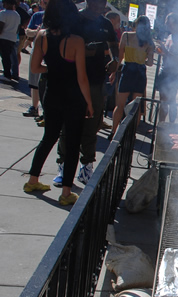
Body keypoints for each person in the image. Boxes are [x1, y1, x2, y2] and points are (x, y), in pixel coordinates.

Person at [23, 0, 93, 206]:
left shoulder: (41, 36)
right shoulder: (77, 41)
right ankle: (66, 193)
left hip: (51, 94)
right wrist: (89, 102)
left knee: (49, 137)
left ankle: (32, 180)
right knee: (72, 144)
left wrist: (53, 69)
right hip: (73, 98)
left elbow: (35, 68)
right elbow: (82, 78)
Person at [52, 0, 118, 187]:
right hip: (72, 81)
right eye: (98, 2)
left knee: (92, 125)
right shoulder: (75, 19)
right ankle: (63, 166)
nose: (101, 5)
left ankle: (86, 166)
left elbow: (113, 44)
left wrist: (115, 60)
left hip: (96, 81)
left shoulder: (105, 23)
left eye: (103, 2)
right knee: (68, 125)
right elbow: (61, 43)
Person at [109, 15, 154, 139]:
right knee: (136, 107)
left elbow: (120, 56)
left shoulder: (126, 36)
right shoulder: (149, 42)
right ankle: (132, 134)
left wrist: (114, 72)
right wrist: (141, 60)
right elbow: (150, 63)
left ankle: (113, 131)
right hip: (140, 73)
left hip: (127, 70)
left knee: (120, 105)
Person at [155, 12, 178, 123]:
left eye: (168, 21)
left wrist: (165, 51)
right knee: (162, 101)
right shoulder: (170, 36)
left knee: (171, 101)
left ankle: (171, 127)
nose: (166, 23)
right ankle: (161, 125)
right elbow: (167, 54)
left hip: (173, 74)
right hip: (165, 72)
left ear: (174, 23)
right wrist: (161, 51)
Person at [22, 0, 45, 118]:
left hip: (49, 54)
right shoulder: (37, 16)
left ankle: (46, 110)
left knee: (46, 83)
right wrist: (36, 31)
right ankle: (34, 107)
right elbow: (28, 32)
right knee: (34, 82)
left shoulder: (59, 17)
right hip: (37, 51)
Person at [0, 0, 20, 81]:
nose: (3, 4)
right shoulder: (17, 15)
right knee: (8, 56)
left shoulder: (3, 13)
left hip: (3, 37)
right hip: (12, 38)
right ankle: (9, 73)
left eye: (4, 3)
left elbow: (1, 26)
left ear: (8, 4)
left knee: (5, 57)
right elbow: (18, 28)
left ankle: (7, 74)